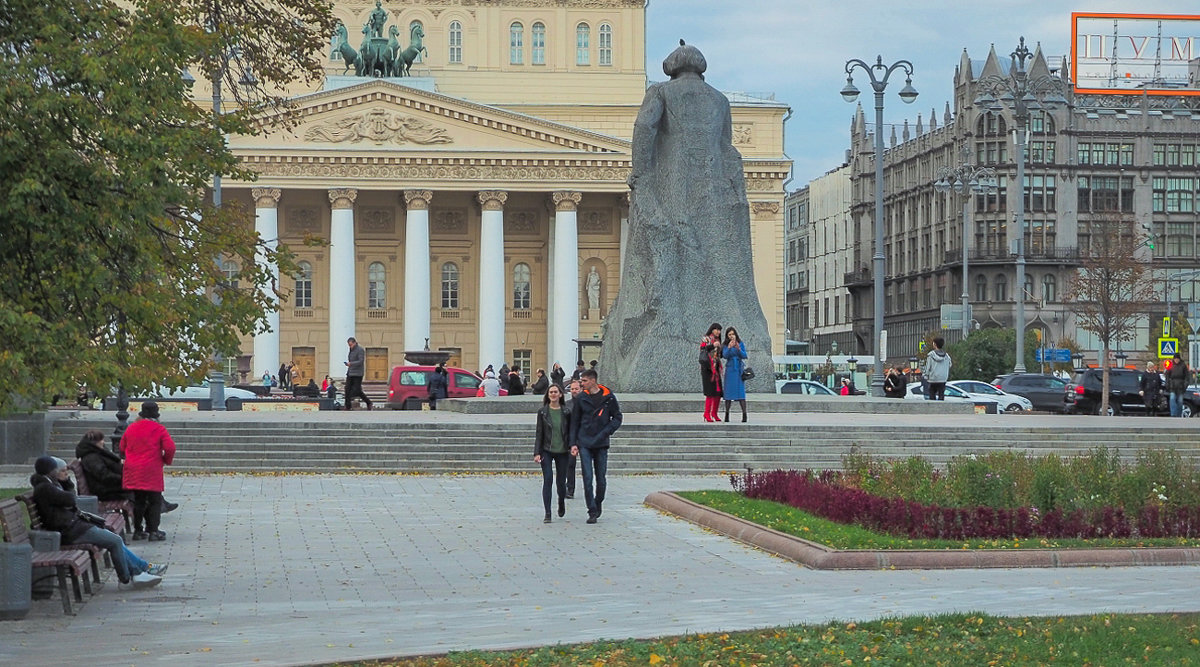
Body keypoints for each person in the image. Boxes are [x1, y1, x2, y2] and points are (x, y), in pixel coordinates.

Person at [30, 456, 167, 588]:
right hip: (70, 531)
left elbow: (69, 500)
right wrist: (67, 483)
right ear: (52, 472)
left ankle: (142, 568)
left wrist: (65, 483)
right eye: (62, 471)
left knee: (115, 539)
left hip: (74, 527)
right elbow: (71, 499)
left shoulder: (49, 484)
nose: (65, 473)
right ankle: (130, 577)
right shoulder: (45, 488)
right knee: (115, 541)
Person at [570, 369, 623, 524]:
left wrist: (607, 431)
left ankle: (598, 501)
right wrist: (573, 443)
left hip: (601, 442)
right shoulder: (581, 398)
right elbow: (575, 422)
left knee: (601, 479)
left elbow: (617, 417)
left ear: (593, 380)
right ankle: (591, 510)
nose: (582, 384)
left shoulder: (608, 397)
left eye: (584, 381)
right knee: (587, 477)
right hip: (585, 442)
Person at [120, 401, 175, 541]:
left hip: (133, 468)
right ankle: (153, 530)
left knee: (139, 500)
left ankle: (138, 530)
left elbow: (122, 446)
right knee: (154, 500)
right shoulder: (159, 429)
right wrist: (165, 460)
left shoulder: (132, 427)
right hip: (151, 469)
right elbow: (170, 448)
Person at [533, 384, 572, 523]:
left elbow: (570, 432)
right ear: (548, 395)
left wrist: (573, 446)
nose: (553, 394)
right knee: (548, 479)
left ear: (560, 394)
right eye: (551, 392)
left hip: (562, 451)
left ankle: (561, 502)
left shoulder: (567, 412)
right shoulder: (543, 412)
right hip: (546, 450)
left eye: (556, 392)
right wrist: (537, 452)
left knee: (561, 483)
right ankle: (547, 513)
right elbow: (539, 433)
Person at [721, 326, 748, 422]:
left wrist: (739, 348)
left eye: (733, 334)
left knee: (741, 393)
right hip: (730, 370)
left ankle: (744, 414)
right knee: (728, 394)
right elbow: (724, 355)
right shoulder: (725, 345)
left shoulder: (740, 343)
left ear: (736, 334)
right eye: (729, 335)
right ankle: (727, 414)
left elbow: (745, 355)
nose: (731, 336)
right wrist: (729, 347)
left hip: (738, 371)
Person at [699, 323, 723, 422]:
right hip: (707, 369)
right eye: (716, 329)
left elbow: (719, 356)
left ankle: (714, 413)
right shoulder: (707, 339)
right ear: (712, 330)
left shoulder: (718, 341)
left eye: (719, 330)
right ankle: (706, 414)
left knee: (718, 393)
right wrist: (713, 345)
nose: (718, 331)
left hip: (716, 369)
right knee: (709, 393)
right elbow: (703, 349)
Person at [563, 379, 582, 498]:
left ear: (581, 389)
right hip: (570, 438)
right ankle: (570, 489)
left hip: (584, 437)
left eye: (576, 389)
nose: (574, 391)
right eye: (572, 389)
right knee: (569, 464)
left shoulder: (586, 403)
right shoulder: (567, 404)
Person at [343, 336, 372, 410]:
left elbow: (360, 361)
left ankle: (368, 402)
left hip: (358, 374)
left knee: (357, 390)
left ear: (355, 343)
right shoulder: (351, 350)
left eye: (351, 344)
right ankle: (348, 406)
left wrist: (351, 364)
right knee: (347, 389)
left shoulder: (360, 350)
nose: (350, 346)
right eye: (349, 345)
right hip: (350, 373)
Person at [1166, 353, 1189, 417]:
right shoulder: (1170, 365)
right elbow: (1167, 376)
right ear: (1174, 359)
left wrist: (1185, 385)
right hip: (1172, 386)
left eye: (1177, 359)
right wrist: (1167, 384)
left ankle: (1179, 414)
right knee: (1172, 399)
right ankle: (1173, 414)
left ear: (1179, 359)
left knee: (1180, 401)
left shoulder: (1183, 365)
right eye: (1175, 359)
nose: (1176, 360)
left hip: (1181, 386)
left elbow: (1187, 377)